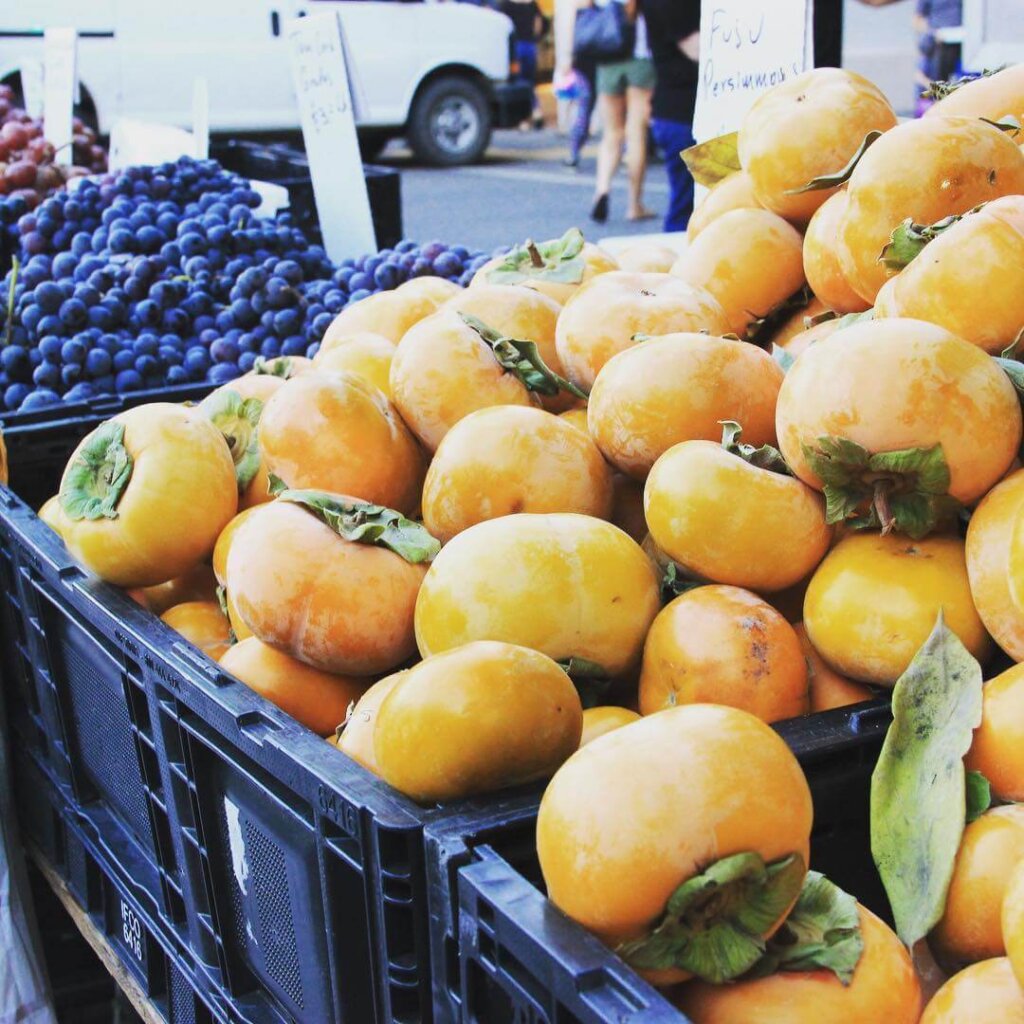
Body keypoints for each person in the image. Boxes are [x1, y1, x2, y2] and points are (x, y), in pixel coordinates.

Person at [586, 0, 656, 223]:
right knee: (636, 133)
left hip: (607, 54)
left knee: (612, 132)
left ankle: (602, 189)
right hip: (639, 57)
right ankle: (634, 205)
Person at [641, 0, 699, 232]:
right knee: (686, 209)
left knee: (690, 204)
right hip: (681, 114)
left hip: (680, 112)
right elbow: (695, 47)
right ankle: (679, 265)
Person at [499, 0, 547, 129]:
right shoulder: (532, 4)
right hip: (530, 47)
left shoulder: (505, 5)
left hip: (516, 48)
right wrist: (535, 38)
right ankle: (537, 112)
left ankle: (523, 119)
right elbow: (540, 23)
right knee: (530, 82)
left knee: (519, 82)